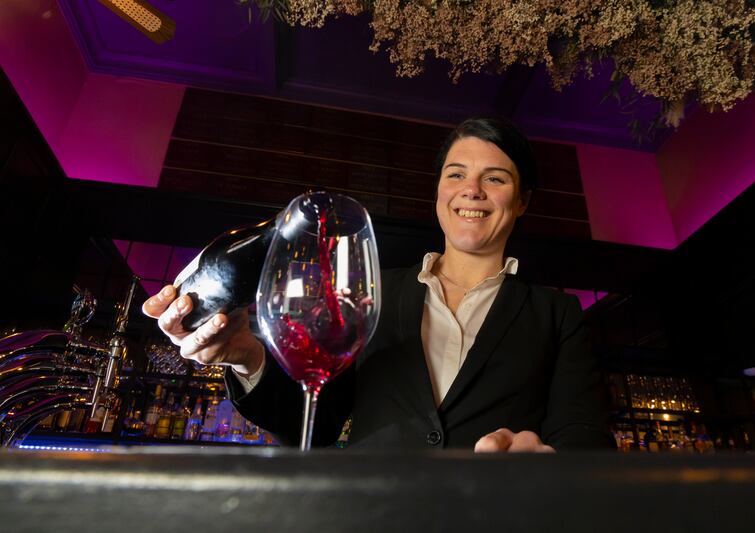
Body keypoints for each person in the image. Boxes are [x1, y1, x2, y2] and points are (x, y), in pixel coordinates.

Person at [143, 116, 616, 452]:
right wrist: (248, 357)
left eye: (495, 179)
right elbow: (315, 425)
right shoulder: (368, 294)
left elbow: (587, 439)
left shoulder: (557, 314)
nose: (471, 190)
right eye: (456, 174)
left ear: (522, 201)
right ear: (439, 191)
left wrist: (546, 462)